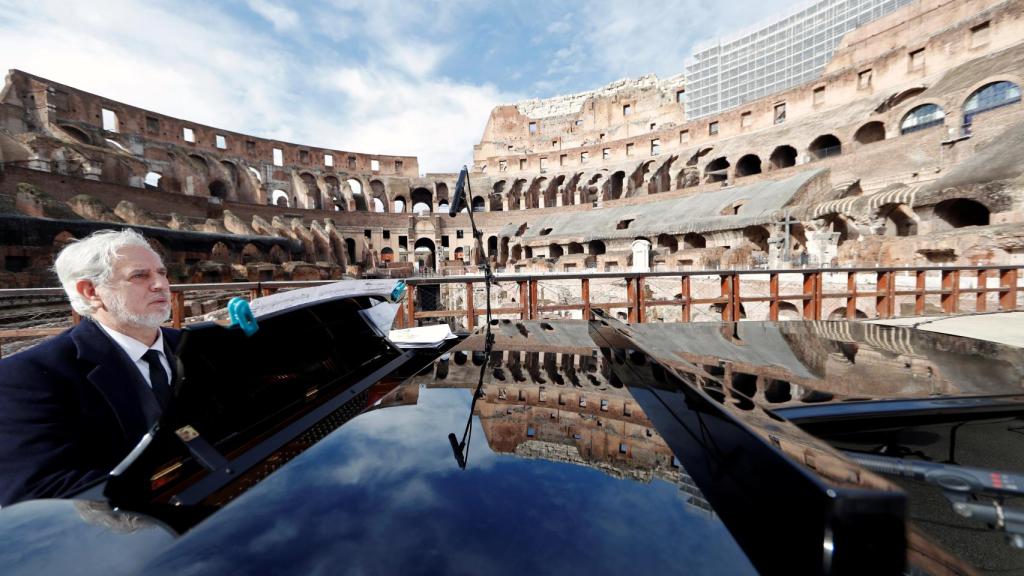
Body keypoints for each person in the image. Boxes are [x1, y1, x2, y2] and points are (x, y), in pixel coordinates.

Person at [0, 229, 179, 506]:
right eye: (140, 276)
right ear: (91, 291)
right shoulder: (28, 377)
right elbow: (41, 493)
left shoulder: (195, 345)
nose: (161, 284)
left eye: (162, 272)